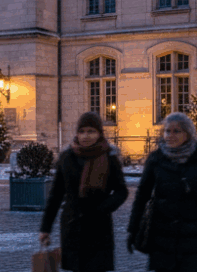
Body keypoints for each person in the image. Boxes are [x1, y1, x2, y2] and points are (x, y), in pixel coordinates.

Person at [127, 112, 197, 272]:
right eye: (167, 131)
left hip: (192, 237)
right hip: (161, 236)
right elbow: (141, 196)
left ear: (187, 133)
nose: (170, 135)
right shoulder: (155, 159)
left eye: (176, 131)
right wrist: (133, 230)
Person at [41, 112, 129, 272]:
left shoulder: (109, 157)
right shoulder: (67, 157)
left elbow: (121, 191)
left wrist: (103, 208)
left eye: (91, 131)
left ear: (99, 133)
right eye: (82, 131)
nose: (85, 136)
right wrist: (45, 228)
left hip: (99, 228)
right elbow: (55, 195)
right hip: (72, 226)